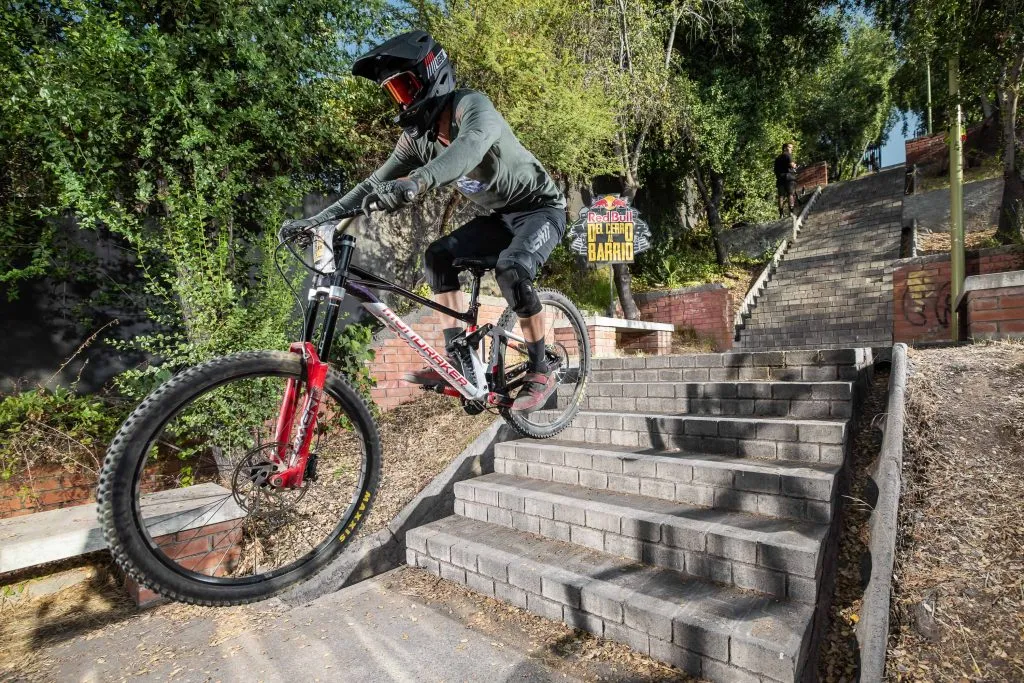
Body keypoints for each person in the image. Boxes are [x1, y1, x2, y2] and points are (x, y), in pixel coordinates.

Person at [279, 31, 566, 413]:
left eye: (406, 87)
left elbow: (467, 151)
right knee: (437, 257)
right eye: (395, 93)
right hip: (501, 217)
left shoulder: (472, 107)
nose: (403, 101)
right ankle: (460, 360)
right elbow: (372, 183)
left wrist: (418, 180)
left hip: (542, 209)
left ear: (433, 76)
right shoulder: (418, 140)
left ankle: (540, 368)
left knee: (512, 269)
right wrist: (318, 218)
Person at [774, 142, 797, 218]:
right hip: (789, 177)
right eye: (790, 147)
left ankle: (781, 214)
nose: (791, 149)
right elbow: (792, 165)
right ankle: (791, 212)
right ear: (785, 148)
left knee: (781, 196)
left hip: (780, 178)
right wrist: (794, 165)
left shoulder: (777, 158)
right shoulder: (788, 155)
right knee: (790, 194)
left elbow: (775, 170)